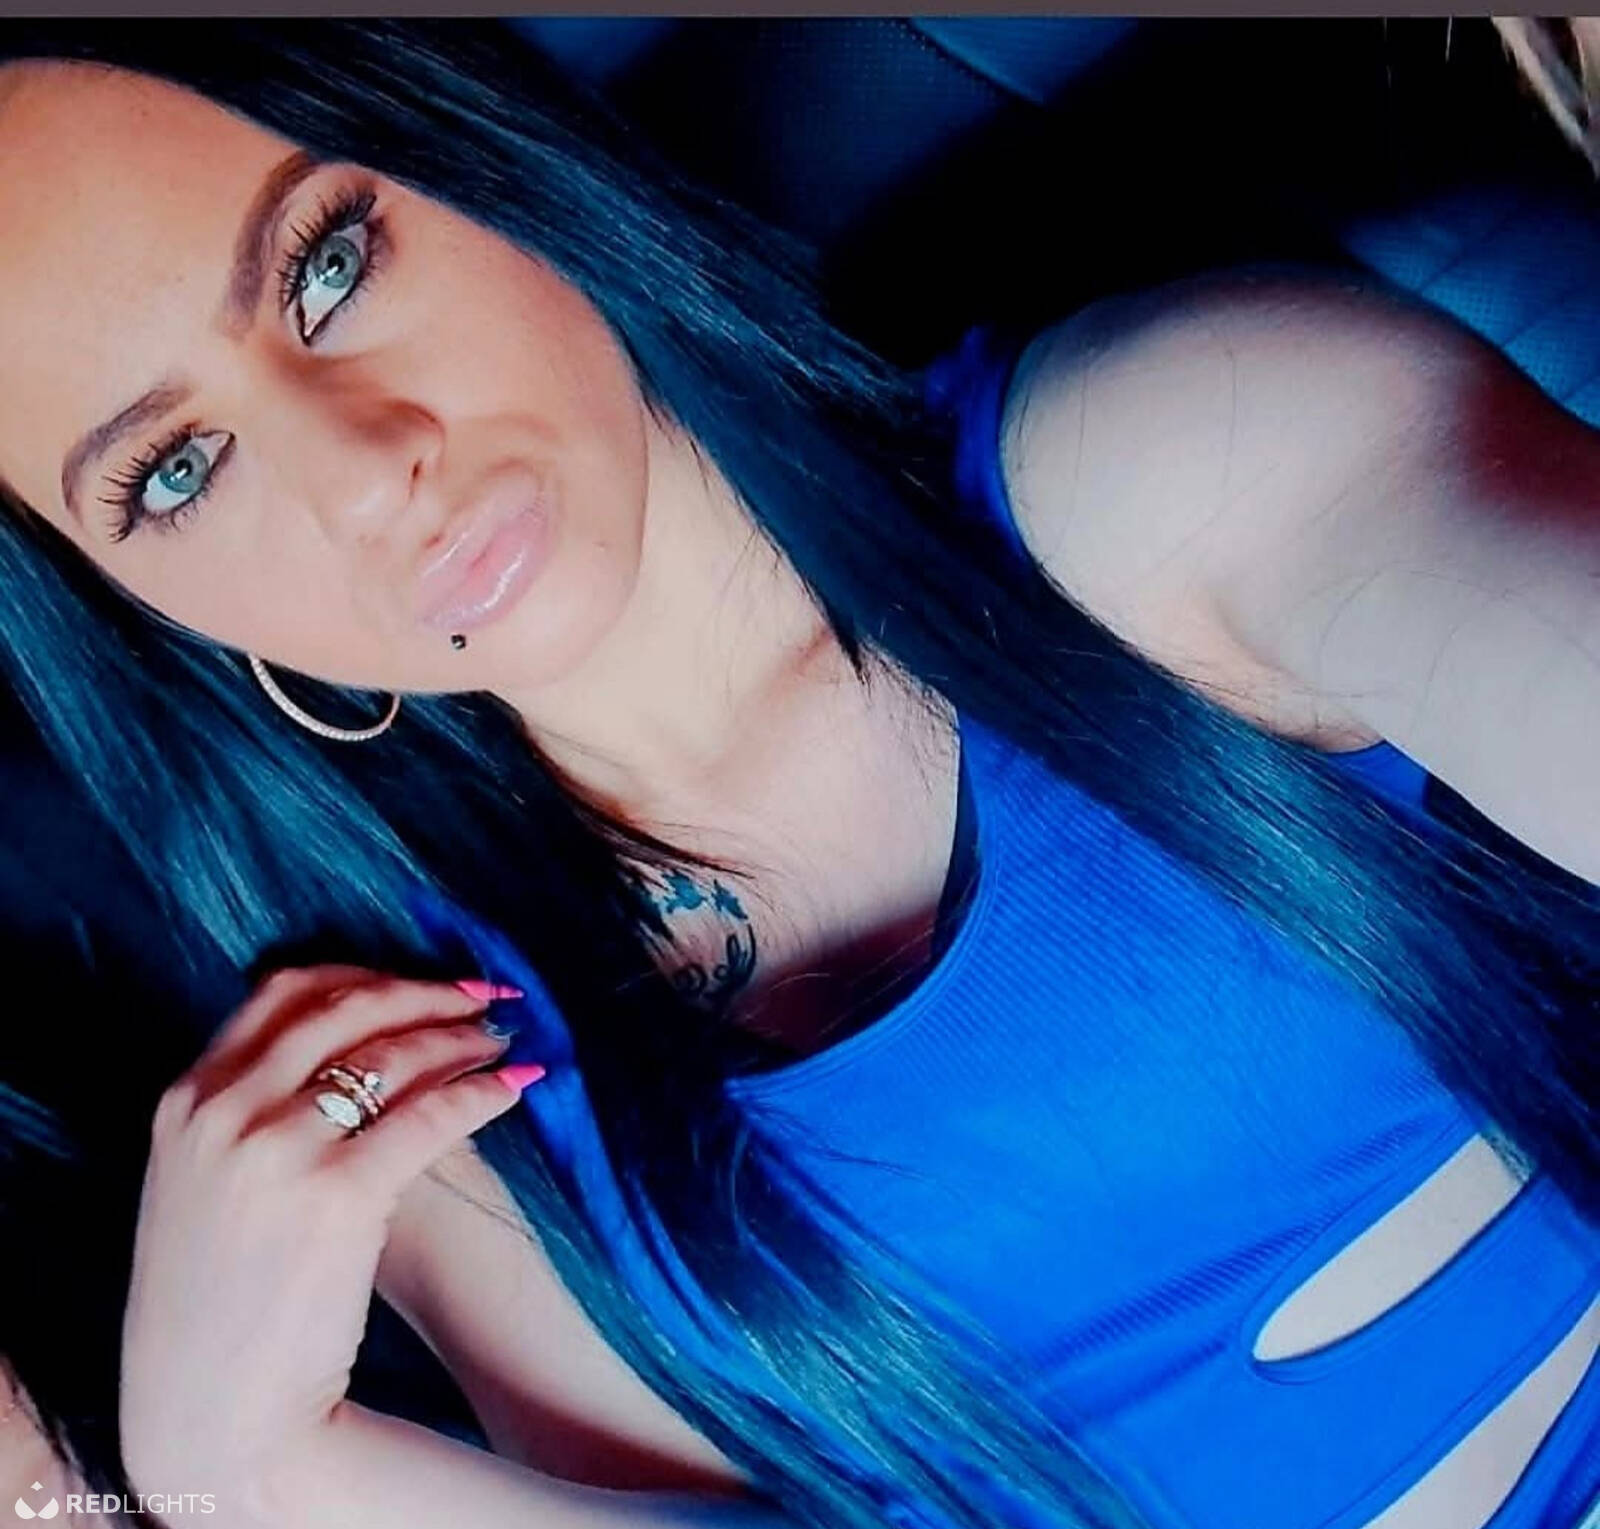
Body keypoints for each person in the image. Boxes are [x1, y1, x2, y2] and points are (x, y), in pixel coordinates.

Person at [0, 18, 1596, 1529]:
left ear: (476, 153)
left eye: (327, 268)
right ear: (142, 604)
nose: (364, 474)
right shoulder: (432, 1133)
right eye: (176, 472)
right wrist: (241, 1469)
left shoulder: (1163, 472)